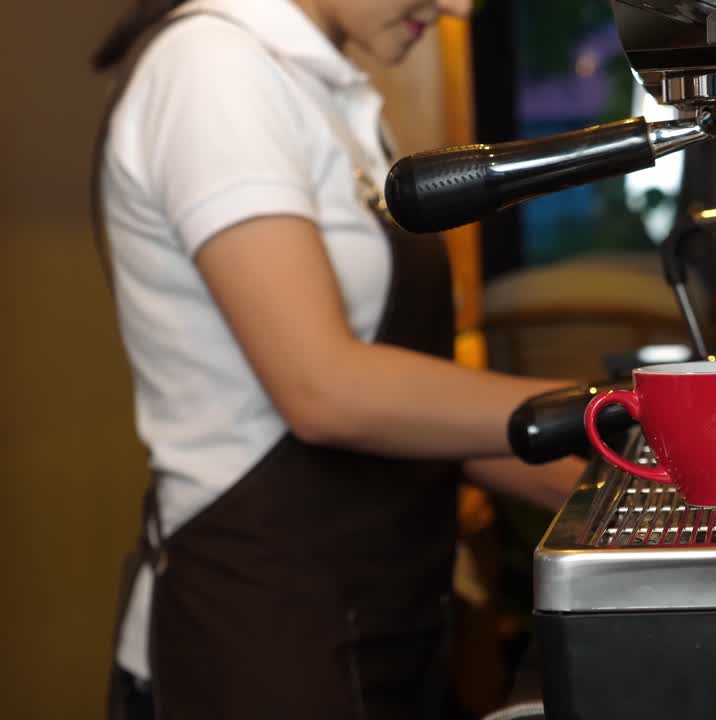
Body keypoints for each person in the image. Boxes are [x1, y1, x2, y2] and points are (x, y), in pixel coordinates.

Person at [91, 1, 587, 717]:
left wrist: (624, 475)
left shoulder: (323, 88)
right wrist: (611, 405)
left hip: (380, 627)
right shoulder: (211, 65)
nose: (458, 8)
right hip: (259, 645)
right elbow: (323, 389)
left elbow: (410, 405)